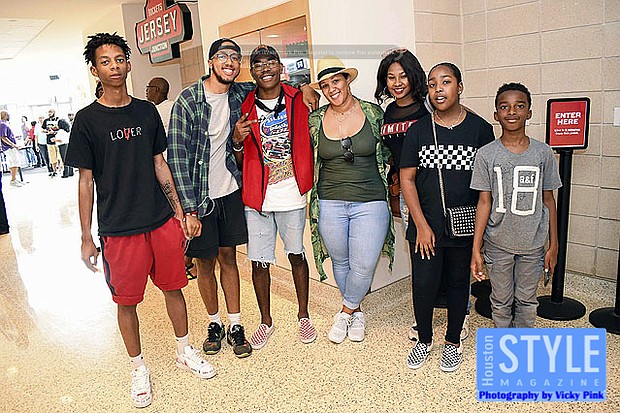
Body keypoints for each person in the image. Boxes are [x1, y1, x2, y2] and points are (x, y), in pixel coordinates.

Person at [64, 32, 215, 408]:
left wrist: (179, 212)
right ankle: (137, 367)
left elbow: (159, 163)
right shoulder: (86, 121)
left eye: (119, 59)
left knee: (174, 288)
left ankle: (184, 350)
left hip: (160, 221)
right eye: (105, 61)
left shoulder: (147, 112)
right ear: (95, 70)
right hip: (119, 229)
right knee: (127, 302)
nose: (114, 66)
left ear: (129, 64)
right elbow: (85, 181)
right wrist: (86, 236)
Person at [167, 38, 318, 359]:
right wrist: (187, 210)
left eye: (235, 57)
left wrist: (304, 86)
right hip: (201, 198)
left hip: (233, 193)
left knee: (229, 258)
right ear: (211, 62)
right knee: (205, 264)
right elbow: (176, 157)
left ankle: (236, 324)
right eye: (223, 56)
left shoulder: (240, 93)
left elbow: (272, 83)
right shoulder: (188, 101)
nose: (230, 62)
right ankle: (214, 323)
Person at [400, 62, 494, 372]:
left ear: (460, 86)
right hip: (425, 227)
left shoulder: (480, 130)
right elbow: (407, 180)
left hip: (463, 225)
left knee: (457, 283)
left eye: (446, 82)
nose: (438, 89)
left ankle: (453, 341)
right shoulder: (419, 130)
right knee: (424, 284)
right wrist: (421, 225)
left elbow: (486, 189)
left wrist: (479, 238)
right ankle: (424, 339)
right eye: (432, 84)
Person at [233, 45, 316, 349]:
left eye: (271, 63)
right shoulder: (244, 106)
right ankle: (265, 321)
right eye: (258, 64)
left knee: (296, 255)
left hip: (291, 193)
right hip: (258, 197)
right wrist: (237, 142)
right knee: (259, 262)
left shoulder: (298, 98)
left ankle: (303, 315)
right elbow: (241, 161)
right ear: (252, 71)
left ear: (281, 68)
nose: (265, 68)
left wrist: (305, 86)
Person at [308, 56, 394, 344]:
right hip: (329, 201)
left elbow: (391, 150)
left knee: (364, 265)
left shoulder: (373, 113)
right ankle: (356, 313)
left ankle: (344, 312)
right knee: (341, 261)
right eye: (324, 85)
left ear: (347, 81)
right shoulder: (315, 119)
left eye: (336, 81)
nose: (331, 88)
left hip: (370, 200)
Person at [470, 82, 561, 329]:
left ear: (529, 112)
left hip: (533, 245)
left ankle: (522, 346)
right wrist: (476, 248)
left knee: (527, 300)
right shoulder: (486, 155)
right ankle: (505, 344)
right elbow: (484, 202)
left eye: (519, 106)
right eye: (504, 107)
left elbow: (549, 200)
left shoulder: (543, 153)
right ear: (496, 114)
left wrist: (553, 244)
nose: (512, 111)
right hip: (497, 244)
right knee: (500, 300)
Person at [1, 111, 23, 187]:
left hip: (7, 147)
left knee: (11, 163)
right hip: (9, 147)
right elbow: (3, 137)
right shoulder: (3, 124)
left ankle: (14, 179)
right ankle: (13, 180)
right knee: (15, 162)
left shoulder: (3, 124)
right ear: (5, 115)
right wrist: (14, 145)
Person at [42, 108, 61, 177]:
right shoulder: (46, 120)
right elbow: (43, 129)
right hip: (49, 141)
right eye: (49, 112)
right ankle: (54, 170)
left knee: (59, 156)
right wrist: (47, 132)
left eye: (51, 112)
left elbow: (62, 129)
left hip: (58, 140)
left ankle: (60, 169)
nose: (49, 113)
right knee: (52, 157)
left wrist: (54, 132)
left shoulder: (58, 120)